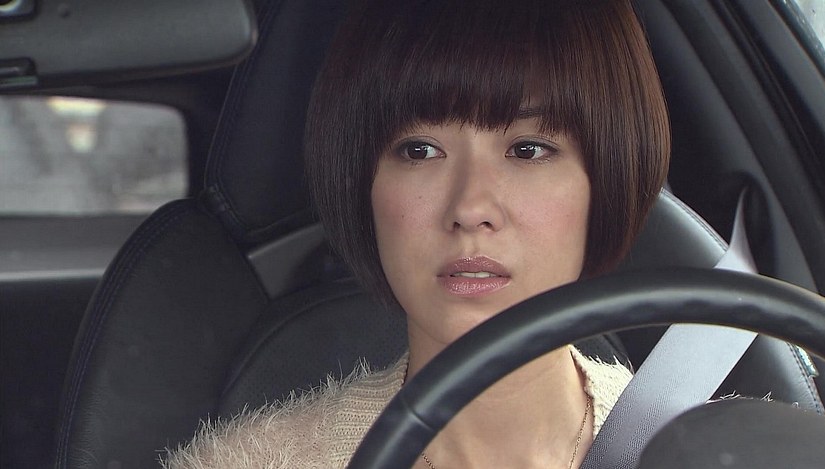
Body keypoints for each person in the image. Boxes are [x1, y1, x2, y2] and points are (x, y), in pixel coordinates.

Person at [163, 0, 669, 467]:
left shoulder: (700, 446)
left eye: (528, 150)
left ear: (607, 178)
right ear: (362, 183)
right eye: (420, 150)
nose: (469, 208)